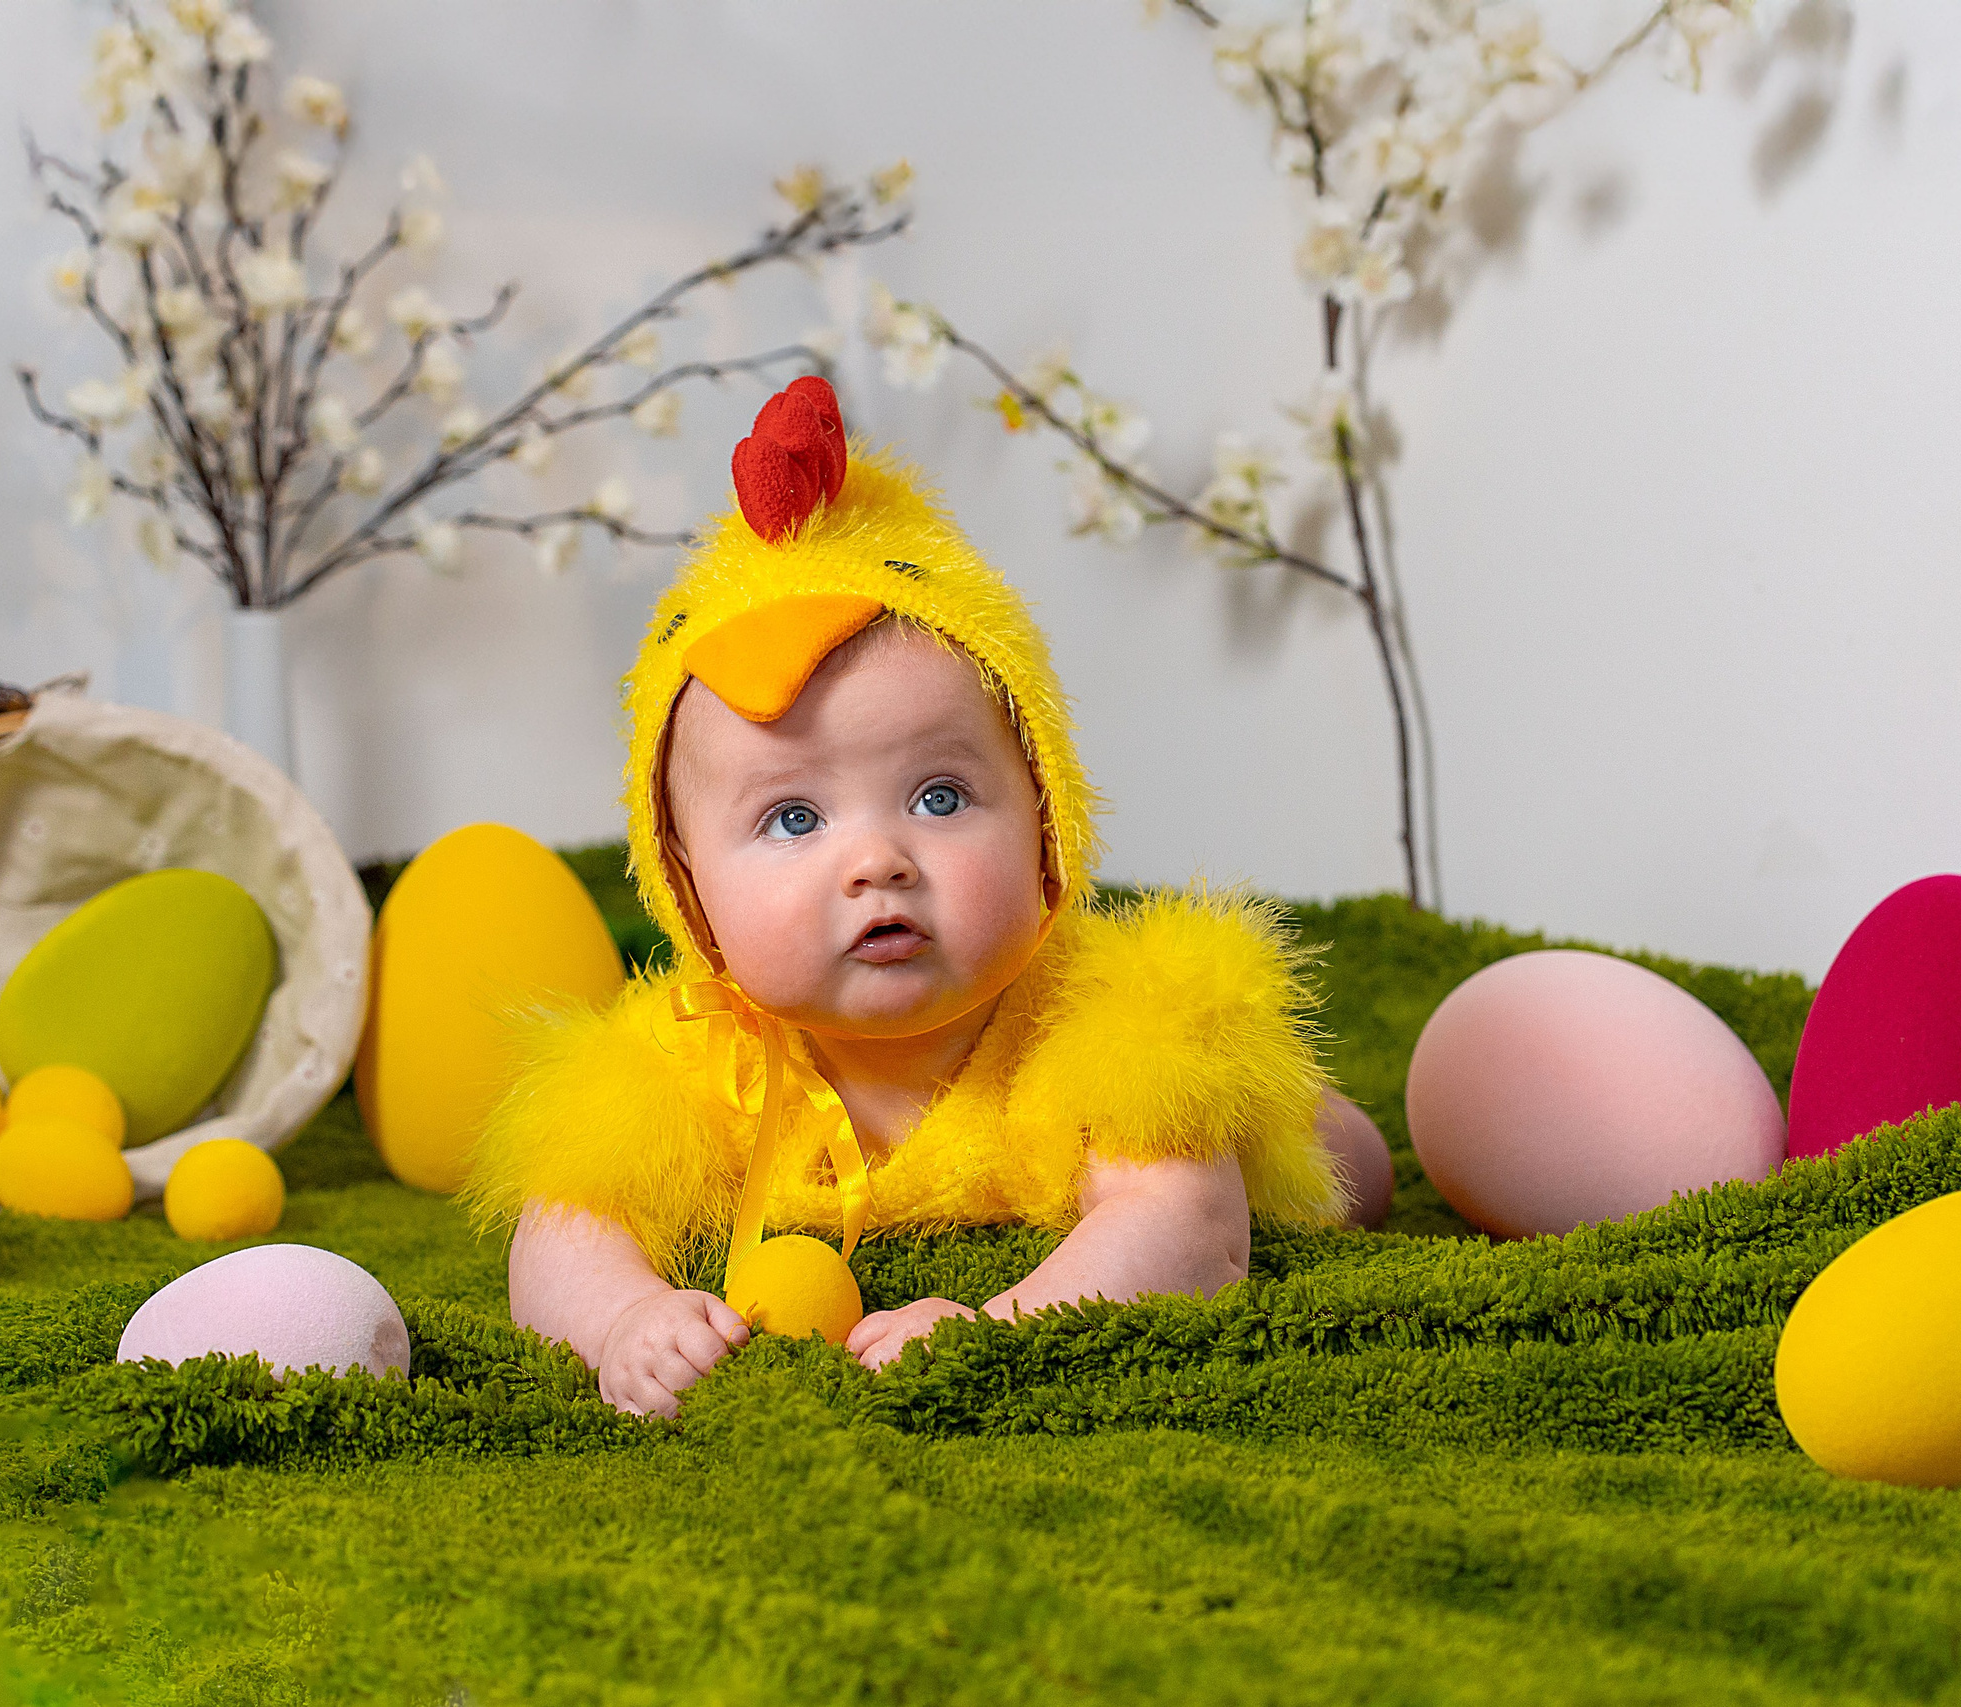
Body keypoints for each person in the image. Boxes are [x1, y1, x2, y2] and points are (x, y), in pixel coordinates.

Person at [462, 377, 1393, 1418]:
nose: (878, 863)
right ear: (685, 884)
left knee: (1323, 1158)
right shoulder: (695, 1061)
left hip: (1185, 1116)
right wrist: (625, 1320)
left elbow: (1186, 1228)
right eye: (794, 819)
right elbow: (562, 1227)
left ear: (1044, 817)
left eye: (939, 796)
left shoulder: (1096, 1038)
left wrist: (1000, 1325)